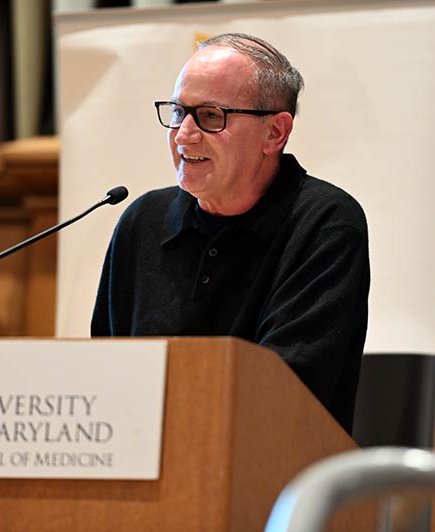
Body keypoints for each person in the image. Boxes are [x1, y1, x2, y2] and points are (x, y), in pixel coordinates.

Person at [91, 33, 370, 434]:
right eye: (178, 112)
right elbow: (105, 376)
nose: (183, 134)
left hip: (270, 465)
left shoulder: (325, 223)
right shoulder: (143, 221)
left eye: (210, 116)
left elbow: (285, 390)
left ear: (275, 133)